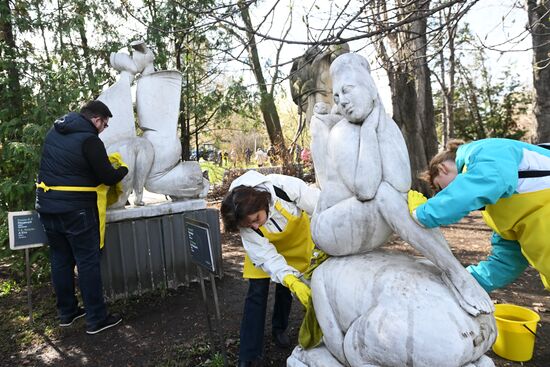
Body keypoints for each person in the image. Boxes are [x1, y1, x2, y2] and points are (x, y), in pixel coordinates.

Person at [408, 138, 550, 293]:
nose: (442, 194)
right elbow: (507, 260)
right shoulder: (496, 208)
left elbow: (484, 181)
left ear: (442, 169)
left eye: (440, 188)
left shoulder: (484, 151)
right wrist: (463, 281)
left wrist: (424, 213)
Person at [36, 100, 128, 335]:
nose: (103, 129)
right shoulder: (90, 140)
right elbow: (107, 177)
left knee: (60, 259)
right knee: (87, 262)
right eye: (105, 125)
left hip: (47, 206)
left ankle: (67, 313)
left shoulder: (55, 130)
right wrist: (123, 170)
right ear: (97, 119)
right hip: (76, 210)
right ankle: (96, 318)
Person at [220, 170, 320, 367]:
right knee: (256, 293)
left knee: (286, 290)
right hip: (265, 251)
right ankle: (248, 354)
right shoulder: (245, 222)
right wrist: (287, 276)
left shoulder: (285, 187)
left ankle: (279, 329)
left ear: (261, 202)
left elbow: (321, 208)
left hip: (296, 243)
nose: (255, 226)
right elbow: (267, 257)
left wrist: (322, 244)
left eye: (256, 218)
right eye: (249, 225)